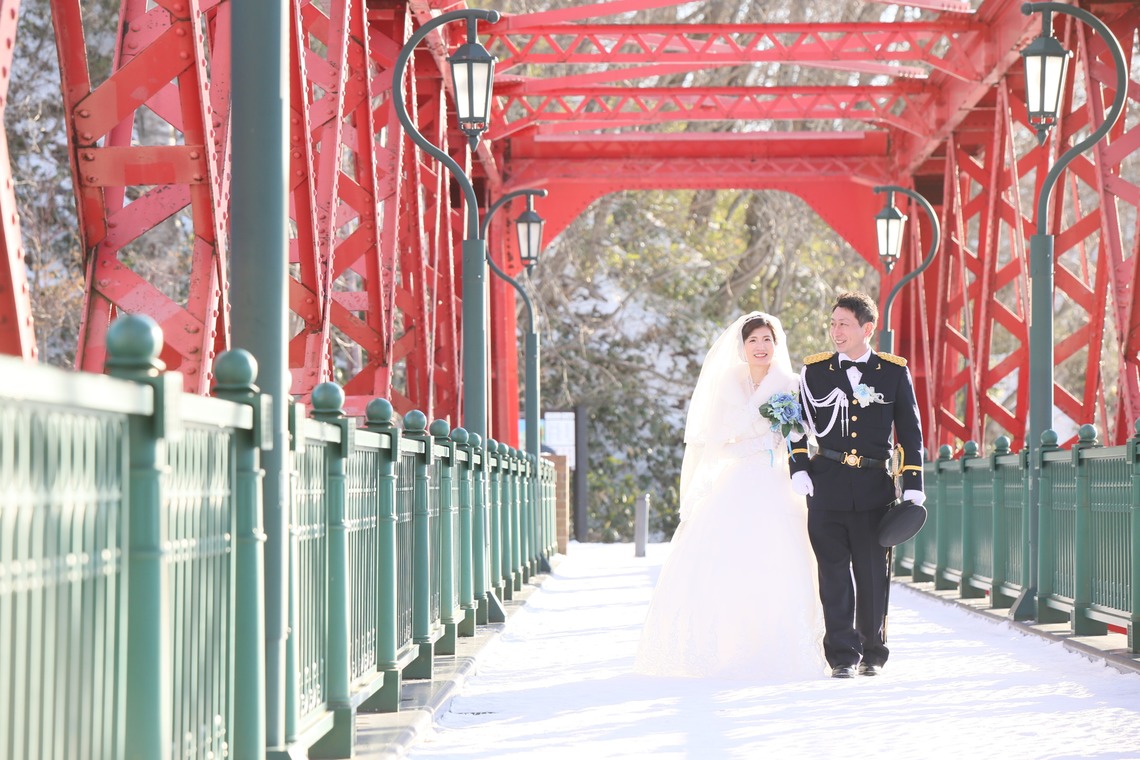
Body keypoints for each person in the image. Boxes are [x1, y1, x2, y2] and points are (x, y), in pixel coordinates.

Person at [634, 312, 827, 681]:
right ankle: (727, 647)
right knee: (726, 561)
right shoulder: (726, 383)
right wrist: (751, 439)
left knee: (780, 558)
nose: (760, 347)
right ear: (741, 346)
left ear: (776, 343)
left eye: (767, 340)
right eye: (753, 340)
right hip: (735, 481)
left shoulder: (791, 383)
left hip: (776, 481)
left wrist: (769, 439)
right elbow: (715, 440)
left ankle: (778, 646)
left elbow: (802, 436)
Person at [789, 292, 925, 679]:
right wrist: (798, 467)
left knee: (871, 575)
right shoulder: (813, 371)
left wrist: (912, 480)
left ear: (867, 329)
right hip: (826, 486)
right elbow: (796, 424)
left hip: (873, 488)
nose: (836, 331)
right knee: (832, 576)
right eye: (832, 323)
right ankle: (842, 657)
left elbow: (910, 432)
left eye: (844, 324)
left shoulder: (893, 371)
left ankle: (873, 652)